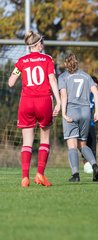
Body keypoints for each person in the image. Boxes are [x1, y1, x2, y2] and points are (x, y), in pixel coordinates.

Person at [8, 30, 61, 188]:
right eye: (42, 42)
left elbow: (11, 82)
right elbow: (52, 79)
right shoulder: (47, 59)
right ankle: (40, 174)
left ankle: (25, 177)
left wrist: (20, 73)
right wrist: (58, 101)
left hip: (26, 102)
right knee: (44, 139)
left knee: (27, 142)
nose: (43, 45)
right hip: (43, 101)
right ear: (37, 44)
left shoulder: (22, 61)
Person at [58, 53, 98, 182]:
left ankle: (75, 175)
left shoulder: (63, 77)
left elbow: (64, 96)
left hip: (72, 111)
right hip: (86, 112)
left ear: (66, 64)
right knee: (82, 144)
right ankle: (94, 165)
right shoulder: (86, 76)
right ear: (77, 63)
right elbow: (96, 93)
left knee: (72, 145)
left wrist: (63, 113)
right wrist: (97, 112)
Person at [82, 75, 98, 174]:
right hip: (80, 124)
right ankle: (86, 164)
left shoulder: (95, 96)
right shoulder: (81, 94)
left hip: (90, 124)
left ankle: (93, 166)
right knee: (81, 145)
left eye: (96, 87)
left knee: (92, 145)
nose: (94, 89)